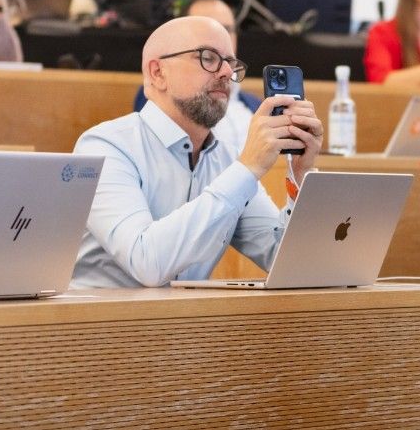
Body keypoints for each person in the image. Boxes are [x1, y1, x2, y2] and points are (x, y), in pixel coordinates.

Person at [71, 15, 323, 288]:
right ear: (158, 73)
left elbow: (287, 260)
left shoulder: (226, 159)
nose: (226, 73)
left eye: (230, 63)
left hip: (188, 315)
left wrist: (301, 178)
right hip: (106, 315)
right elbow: (146, 263)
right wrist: (247, 169)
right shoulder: (105, 147)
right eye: (208, 58)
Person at [133, 0, 261, 153]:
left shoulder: (253, 104)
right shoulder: (161, 94)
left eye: (227, 29)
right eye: (207, 26)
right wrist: (249, 164)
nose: (220, 34)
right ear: (158, 73)